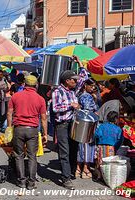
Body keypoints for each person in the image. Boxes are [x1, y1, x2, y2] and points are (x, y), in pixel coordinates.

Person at [52, 56, 88, 190]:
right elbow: (55, 108)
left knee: (74, 148)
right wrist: (70, 105)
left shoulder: (73, 90)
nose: (76, 82)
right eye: (73, 80)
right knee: (64, 151)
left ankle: (71, 171)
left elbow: (84, 78)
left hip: (72, 124)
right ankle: (66, 178)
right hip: (62, 125)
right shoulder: (58, 91)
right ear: (67, 81)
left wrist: (80, 63)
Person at [7, 75, 48, 190]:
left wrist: (10, 128)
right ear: (36, 85)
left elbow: (9, 113)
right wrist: (45, 133)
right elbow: (44, 118)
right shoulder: (40, 99)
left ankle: (21, 181)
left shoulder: (16, 96)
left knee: (19, 155)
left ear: (24, 84)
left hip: (19, 129)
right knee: (32, 156)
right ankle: (31, 183)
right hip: (32, 130)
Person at [76, 78, 98, 179]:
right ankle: (85, 168)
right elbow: (88, 109)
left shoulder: (80, 94)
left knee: (81, 146)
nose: (93, 88)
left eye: (94, 86)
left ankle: (78, 169)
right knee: (87, 146)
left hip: (81, 123)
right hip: (88, 123)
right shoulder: (87, 96)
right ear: (86, 85)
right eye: (91, 86)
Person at [94, 111, 123, 180]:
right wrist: (115, 148)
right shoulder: (118, 129)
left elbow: (97, 135)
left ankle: (99, 176)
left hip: (101, 146)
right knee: (109, 164)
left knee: (100, 162)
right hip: (111, 148)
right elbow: (120, 140)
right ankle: (107, 178)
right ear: (116, 119)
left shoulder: (102, 126)